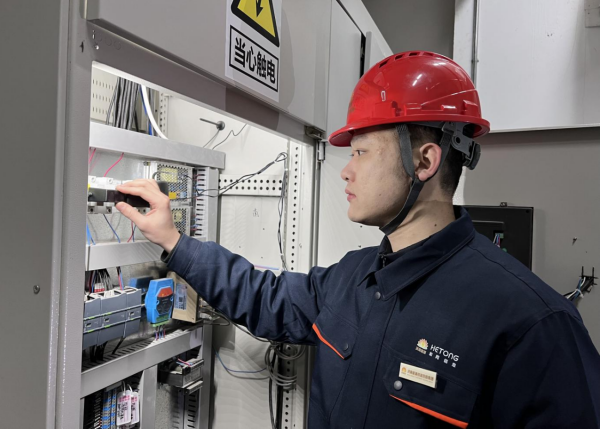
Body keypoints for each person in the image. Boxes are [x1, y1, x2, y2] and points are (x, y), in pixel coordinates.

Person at [115, 51, 599, 428]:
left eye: (362, 152)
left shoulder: (534, 325)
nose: (346, 171)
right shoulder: (355, 276)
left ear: (425, 162)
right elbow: (266, 298)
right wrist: (173, 240)